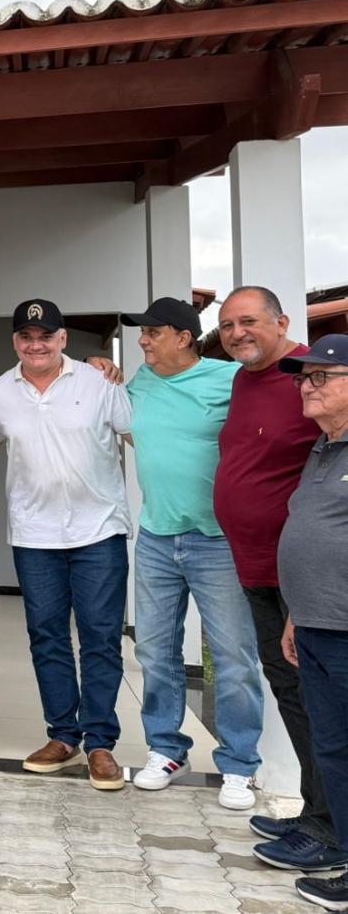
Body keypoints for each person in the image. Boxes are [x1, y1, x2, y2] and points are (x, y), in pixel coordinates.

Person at [216, 287, 345, 871]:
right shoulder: (245, 380)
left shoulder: (307, 380)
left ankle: (329, 827)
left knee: (320, 707)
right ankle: (317, 812)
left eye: (248, 321)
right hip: (260, 571)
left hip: (308, 585)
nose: (236, 333)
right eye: (226, 325)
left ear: (282, 322)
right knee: (294, 697)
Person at [0, 298, 132, 791]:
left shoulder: (99, 382)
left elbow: (139, 435)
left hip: (99, 531)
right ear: (15, 342)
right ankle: (63, 736)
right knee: (47, 637)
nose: (36, 344)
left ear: (62, 338)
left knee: (100, 638)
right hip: (34, 535)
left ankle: (101, 743)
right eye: (26, 337)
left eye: (46, 336)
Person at [120, 297, 263, 809]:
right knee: (155, 651)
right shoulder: (139, 383)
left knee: (233, 656)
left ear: (183, 337)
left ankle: (240, 764)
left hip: (217, 539)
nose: (142, 340)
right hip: (157, 536)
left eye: (152, 332)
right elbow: (134, 432)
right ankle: (166, 750)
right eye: (141, 333)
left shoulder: (229, 379)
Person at [277, 335, 348, 906]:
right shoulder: (323, 448)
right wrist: (296, 616)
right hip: (315, 626)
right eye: (304, 378)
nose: (307, 386)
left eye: (322, 377)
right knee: (333, 751)